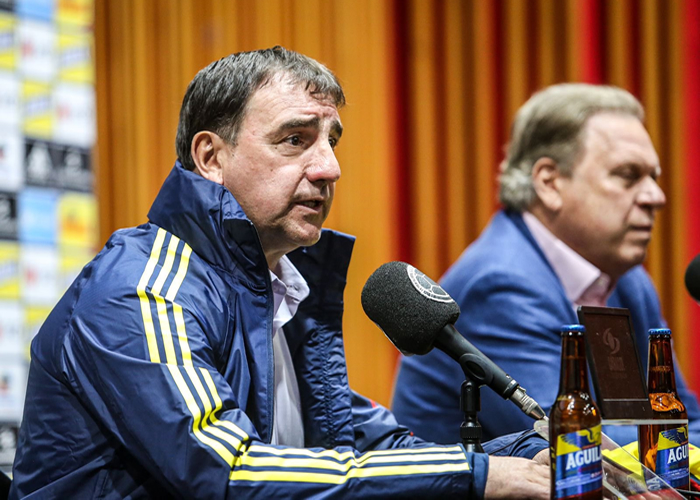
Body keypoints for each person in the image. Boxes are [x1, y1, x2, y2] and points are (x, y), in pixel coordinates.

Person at [10, 47, 549, 499]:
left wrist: (537, 454)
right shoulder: (144, 289)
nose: (330, 167)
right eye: (295, 139)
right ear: (211, 157)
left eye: (331, 141)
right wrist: (477, 476)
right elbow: (229, 472)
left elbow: (369, 448)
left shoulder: (276, 288)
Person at [392, 83, 700, 447]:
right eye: (628, 175)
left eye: (654, 178)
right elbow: (574, 441)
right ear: (550, 183)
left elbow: (681, 415)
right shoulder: (500, 284)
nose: (655, 196)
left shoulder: (629, 281)